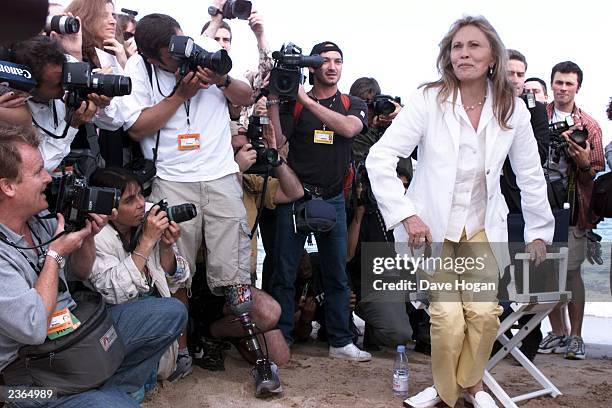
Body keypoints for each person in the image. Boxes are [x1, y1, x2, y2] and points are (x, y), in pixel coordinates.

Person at [366, 16, 554, 408]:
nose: (464, 53)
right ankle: (451, 393)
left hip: (482, 227)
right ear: (448, 56)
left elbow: (530, 175)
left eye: (474, 46)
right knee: (448, 319)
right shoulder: (427, 99)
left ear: (492, 58)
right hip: (430, 228)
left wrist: (540, 230)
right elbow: (380, 157)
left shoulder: (512, 108)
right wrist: (405, 214)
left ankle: (466, 385)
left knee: (485, 315)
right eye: (456, 47)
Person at [0, 124, 187, 406]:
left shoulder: (39, 222)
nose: (49, 178)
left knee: (171, 313)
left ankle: (110, 389)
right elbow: (34, 328)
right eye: (38, 172)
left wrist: (87, 237)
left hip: (73, 337)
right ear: (8, 186)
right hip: (27, 376)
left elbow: (79, 272)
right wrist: (54, 255)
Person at [267, 41, 371, 362]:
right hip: (297, 195)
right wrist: (274, 99)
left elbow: (349, 129)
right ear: (311, 67)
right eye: (324, 61)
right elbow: (278, 141)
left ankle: (340, 340)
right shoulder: (294, 103)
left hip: (333, 198)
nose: (331, 66)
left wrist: (301, 97)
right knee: (283, 273)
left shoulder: (351, 103)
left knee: (336, 272)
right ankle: (281, 338)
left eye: (337, 61)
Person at [87, 167, 192, 383]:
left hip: (154, 340)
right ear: (109, 209)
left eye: (141, 194)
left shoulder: (146, 223)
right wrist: (146, 242)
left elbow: (180, 280)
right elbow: (113, 293)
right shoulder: (96, 237)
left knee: (175, 307)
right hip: (111, 338)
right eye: (129, 200)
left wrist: (165, 248)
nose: (140, 204)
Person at [538, 61, 605, 360]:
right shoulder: (538, 117)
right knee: (547, 270)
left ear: (578, 87)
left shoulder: (589, 126)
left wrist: (581, 159)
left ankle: (576, 336)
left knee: (572, 272)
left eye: (569, 83)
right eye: (559, 82)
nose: (563, 88)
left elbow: (596, 174)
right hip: (541, 205)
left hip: (574, 206)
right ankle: (558, 332)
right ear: (552, 84)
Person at [11, 36, 123, 173]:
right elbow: (38, 168)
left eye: (65, 75)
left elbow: (115, 123)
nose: (66, 85)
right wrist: (71, 125)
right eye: (58, 84)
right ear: (30, 88)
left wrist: (104, 104)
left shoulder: (69, 68)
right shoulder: (12, 110)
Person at [65, 0, 128, 69]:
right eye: (104, 16)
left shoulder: (117, 52)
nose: (113, 21)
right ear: (86, 18)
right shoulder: (71, 52)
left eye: (113, 15)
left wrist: (124, 64)